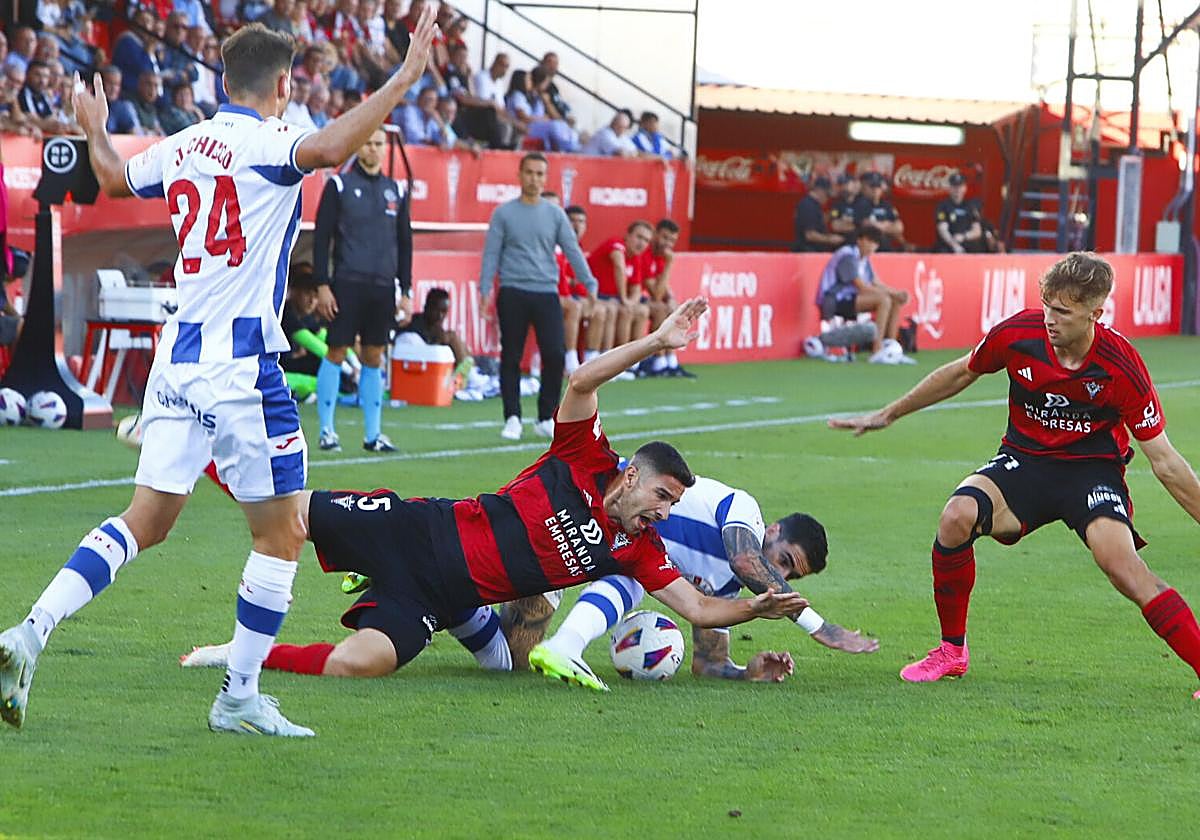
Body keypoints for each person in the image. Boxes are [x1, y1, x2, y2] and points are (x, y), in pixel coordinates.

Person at [0, 9, 439, 736]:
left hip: (177, 359)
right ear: (284, 84)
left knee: (146, 520)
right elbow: (329, 147)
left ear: (225, 80)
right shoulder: (271, 142)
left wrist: (94, 125)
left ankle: (30, 630)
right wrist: (402, 78)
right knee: (284, 531)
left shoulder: (184, 144)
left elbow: (111, 177)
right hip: (241, 366)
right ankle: (237, 696)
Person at [179, 299, 810, 681]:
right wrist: (655, 341)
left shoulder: (638, 552)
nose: (665, 512)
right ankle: (195, 453)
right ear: (631, 475)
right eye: (663, 496)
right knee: (281, 512)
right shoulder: (582, 455)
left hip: (440, 593)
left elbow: (699, 610)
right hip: (417, 527)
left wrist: (754, 609)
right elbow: (582, 379)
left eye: (673, 504)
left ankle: (242, 656)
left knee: (360, 664)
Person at [829, 252, 1200, 695]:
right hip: (1024, 462)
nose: (1050, 318)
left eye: (1063, 311)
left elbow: (1166, 461)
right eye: (1047, 305)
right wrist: (889, 414)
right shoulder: (1019, 334)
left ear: (1095, 314)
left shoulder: (1121, 366)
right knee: (956, 516)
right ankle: (951, 652)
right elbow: (961, 373)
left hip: (1092, 473)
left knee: (1122, 567)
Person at [528, 477, 879, 689]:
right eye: (785, 561)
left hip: (613, 548)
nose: (781, 577)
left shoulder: (725, 585)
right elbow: (746, 561)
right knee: (633, 571)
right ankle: (566, 643)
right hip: (590, 506)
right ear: (772, 530)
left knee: (508, 660)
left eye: (792, 576)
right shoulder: (743, 509)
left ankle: (557, 643)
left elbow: (708, 664)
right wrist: (818, 626)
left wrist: (747, 673)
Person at [478, 152, 596, 442]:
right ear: (519, 175)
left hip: (546, 291)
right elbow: (491, 253)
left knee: (555, 354)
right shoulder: (503, 213)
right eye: (529, 172)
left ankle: (546, 416)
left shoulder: (555, 214)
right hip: (513, 291)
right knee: (511, 356)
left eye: (540, 174)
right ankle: (512, 417)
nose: (534, 179)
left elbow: (571, 249)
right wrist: (484, 291)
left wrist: (589, 283)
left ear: (546, 178)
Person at [312, 126, 413, 454]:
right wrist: (322, 284)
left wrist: (406, 290)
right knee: (337, 351)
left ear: (386, 149)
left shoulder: (395, 190)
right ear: (358, 146)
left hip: (383, 287)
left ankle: (374, 435)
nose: (373, 149)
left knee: (374, 355)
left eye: (379, 144)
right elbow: (321, 238)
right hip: (347, 283)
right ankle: (326, 430)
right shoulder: (339, 185)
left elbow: (405, 244)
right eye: (368, 143)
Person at [815, 227, 914, 365]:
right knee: (883, 300)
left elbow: (876, 282)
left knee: (894, 300)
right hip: (834, 299)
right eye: (869, 241)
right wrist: (889, 294)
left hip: (852, 299)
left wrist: (897, 293)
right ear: (860, 240)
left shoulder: (865, 259)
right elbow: (860, 286)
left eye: (875, 243)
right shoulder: (847, 255)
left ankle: (891, 348)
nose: (872, 246)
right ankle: (877, 350)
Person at [638, 218, 694, 378]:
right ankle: (658, 360)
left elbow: (663, 289)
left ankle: (671, 360)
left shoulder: (660, 256)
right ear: (655, 234)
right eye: (664, 237)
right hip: (634, 299)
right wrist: (670, 263)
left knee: (674, 308)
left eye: (672, 240)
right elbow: (655, 293)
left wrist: (671, 298)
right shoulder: (646, 254)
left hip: (644, 300)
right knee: (661, 309)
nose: (667, 243)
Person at [587, 220, 653, 356]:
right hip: (592, 294)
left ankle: (633, 361)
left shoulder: (635, 258)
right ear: (627, 235)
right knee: (612, 309)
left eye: (646, 240)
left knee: (641, 311)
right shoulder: (616, 244)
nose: (641, 243)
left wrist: (630, 303)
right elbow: (619, 266)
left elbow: (637, 288)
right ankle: (605, 358)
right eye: (639, 237)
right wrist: (623, 298)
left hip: (613, 299)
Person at [556, 204, 606, 375]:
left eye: (581, 221)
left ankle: (592, 361)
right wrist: (573, 283)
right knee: (574, 307)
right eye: (572, 221)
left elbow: (578, 282)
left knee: (599, 310)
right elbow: (564, 279)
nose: (577, 225)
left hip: (572, 296)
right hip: (552, 295)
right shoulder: (556, 244)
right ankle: (570, 361)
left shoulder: (578, 248)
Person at [853, 172, 908, 252]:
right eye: (872, 186)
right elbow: (866, 224)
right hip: (866, 249)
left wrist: (878, 225)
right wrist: (887, 224)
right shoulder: (859, 203)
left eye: (878, 186)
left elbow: (899, 227)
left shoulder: (886, 205)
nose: (875, 190)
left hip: (885, 247)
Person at [933, 172, 984, 253]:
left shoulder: (970, 206)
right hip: (948, 247)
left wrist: (964, 236)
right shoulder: (943, 206)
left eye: (960, 186)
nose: (957, 189)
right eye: (954, 186)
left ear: (965, 188)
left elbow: (977, 231)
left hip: (968, 247)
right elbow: (942, 229)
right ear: (949, 188)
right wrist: (954, 245)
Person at [792, 176, 842, 252]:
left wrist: (834, 213)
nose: (827, 199)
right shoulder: (808, 205)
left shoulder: (814, 205)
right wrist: (830, 239)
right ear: (820, 191)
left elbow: (819, 221)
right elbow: (810, 235)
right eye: (827, 195)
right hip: (808, 252)